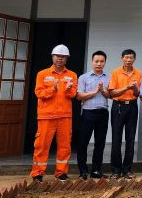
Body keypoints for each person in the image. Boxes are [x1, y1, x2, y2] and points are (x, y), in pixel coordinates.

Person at [31, 44, 77, 182]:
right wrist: (53, 89)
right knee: (41, 145)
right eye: (57, 56)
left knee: (64, 146)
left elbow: (73, 94)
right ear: (52, 57)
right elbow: (39, 93)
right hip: (46, 116)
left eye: (63, 57)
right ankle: (38, 173)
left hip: (65, 116)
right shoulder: (42, 74)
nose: (60, 59)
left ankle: (61, 172)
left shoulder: (72, 75)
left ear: (67, 59)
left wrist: (68, 89)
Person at [75, 50, 110, 180]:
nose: (99, 64)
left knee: (100, 143)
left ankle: (96, 170)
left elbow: (110, 95)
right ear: (92, 61)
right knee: (83, 143)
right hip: (88, 113)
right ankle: (82, 171)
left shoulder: (108, 77)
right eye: (96, 61)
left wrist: (103, 91)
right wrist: (95, 92)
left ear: (105, 62)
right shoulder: (84, 77)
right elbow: (79, 96)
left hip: (103, 114)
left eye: (101, 61)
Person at [108, 48, 142, 179]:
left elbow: (138, 94)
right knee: (116, 138)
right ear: (122, 58)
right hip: (118, 106)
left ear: (134, 59)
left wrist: (134, 89)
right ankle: (116, 170)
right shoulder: (116, 72)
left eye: (131, 58)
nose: (128, 60)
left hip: (132, 106)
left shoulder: (138, 73)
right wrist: (127, 87)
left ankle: (127, 169)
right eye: (126, 57)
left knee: (130, 138)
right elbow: (112, 93)